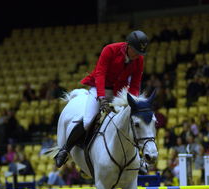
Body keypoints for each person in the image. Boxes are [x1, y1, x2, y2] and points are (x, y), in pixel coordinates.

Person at [54, 30, 148, 167]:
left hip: (119, 94)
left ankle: (137, 161)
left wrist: (131, 101)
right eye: (136, 51)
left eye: (140, 53)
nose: (137, 55)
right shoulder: (110, 50)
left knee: (129, 123)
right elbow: (100, 74)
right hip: (100, 88)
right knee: (88, 121)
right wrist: (101, 97)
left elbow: (135, 84)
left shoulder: (139, 59)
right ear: (128, 45)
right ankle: (65, 150)